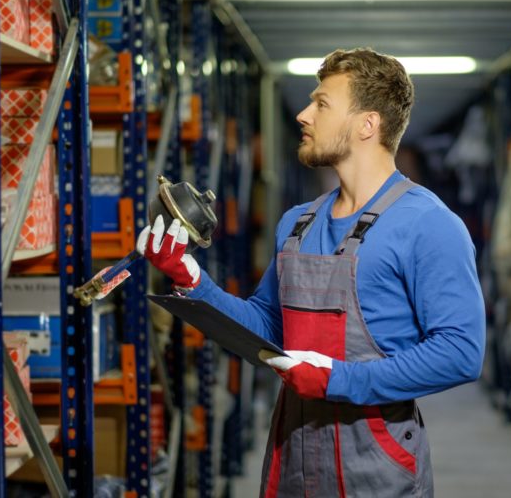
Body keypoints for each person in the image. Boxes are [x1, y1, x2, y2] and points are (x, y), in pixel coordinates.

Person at [138, 48, 486, 498]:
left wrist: (339, 380)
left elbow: (461, 351)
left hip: (375, 465)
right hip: (292, 459)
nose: (303, 115)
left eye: (322, 104)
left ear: (368, 124)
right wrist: (192, 281)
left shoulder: (428, 224)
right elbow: (266, 330)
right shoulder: (298, 223)